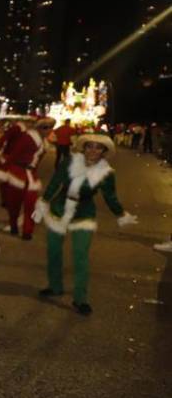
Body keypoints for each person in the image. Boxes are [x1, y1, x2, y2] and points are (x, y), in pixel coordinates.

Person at [34, 133, 138, 315]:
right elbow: (56, 182)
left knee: (80, 256)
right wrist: (44, 201)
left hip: (84, 213)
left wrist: (121, 214)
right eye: (89, 146)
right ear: (84, 147)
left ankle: (80, 299)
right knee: (53, 250)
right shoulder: (69, 161)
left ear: (104, 151)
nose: (93, 150)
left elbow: (110, 197)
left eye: (98, 148)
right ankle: (55, 286)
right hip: (59, 208)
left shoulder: (106, 173)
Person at [0, 115, 54, 240]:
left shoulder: (44, 143)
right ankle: (13, 225)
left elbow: (36, 162)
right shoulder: (27, 137)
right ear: (38, 127)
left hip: (31, 175)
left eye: (50, 127)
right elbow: (14, 154)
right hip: (17, 173)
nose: (48, 130)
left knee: (31, 205)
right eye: (45, 127)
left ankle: (27, 232)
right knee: (14, 205)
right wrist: (3, 170)